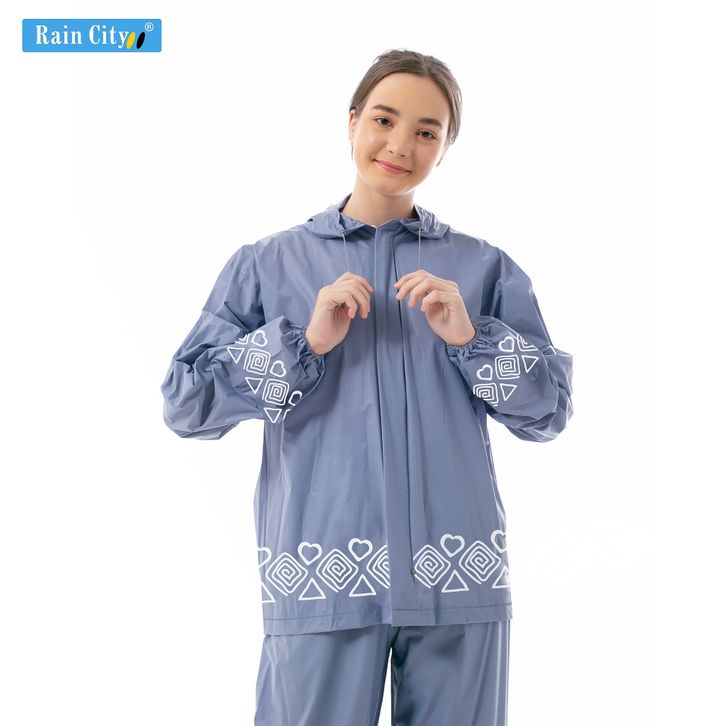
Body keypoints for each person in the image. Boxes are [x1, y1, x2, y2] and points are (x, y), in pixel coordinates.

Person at [160, 48, 574, 726]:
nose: (400, 145)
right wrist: (302, 345)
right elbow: (186, 402)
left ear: (446, 148)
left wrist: (471, 338)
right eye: (384, 119)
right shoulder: (268, 264)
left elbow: (548, 412)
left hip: (456, 582)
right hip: (322, 577)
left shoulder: (482, 268)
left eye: (426, 131)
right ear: (352, 121)